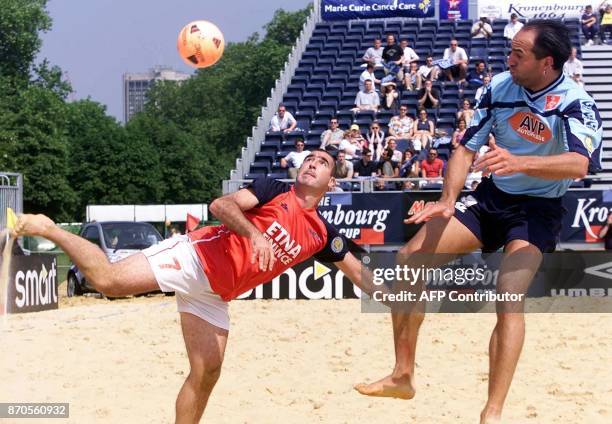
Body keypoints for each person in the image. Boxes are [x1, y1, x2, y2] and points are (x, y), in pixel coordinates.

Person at [12, 149, 385, 424]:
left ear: (331, 183)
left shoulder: (321, 234)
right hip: (194, 258)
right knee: (107, 281)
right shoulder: (272, 190)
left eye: (322, 162)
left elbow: (359, 275)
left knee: (207, 371)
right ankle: (48, 227)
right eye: (310, 158)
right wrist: (254, 234)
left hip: (215, 295)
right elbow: (221, 205)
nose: (312, 162)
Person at [354, 20, 603, 424]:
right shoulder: (499, 87)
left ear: (547, 63)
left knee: (509, 297)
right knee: (407, 259)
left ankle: (492, 411)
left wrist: (518, 161)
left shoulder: (576, 101)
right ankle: (402, 375)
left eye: (519, 54)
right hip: (491, 199)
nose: (509, 59)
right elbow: (465, 150)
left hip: (537, 211)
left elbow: (580, 164)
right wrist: (448, 202)